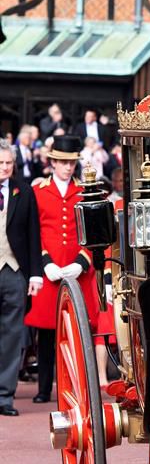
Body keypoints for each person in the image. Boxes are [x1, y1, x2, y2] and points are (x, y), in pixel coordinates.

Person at [25, 135, 100, 403]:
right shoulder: (38, 192)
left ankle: (75, 390)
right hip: (50, 270)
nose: (69, 168)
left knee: (77, 333)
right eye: (64, 163)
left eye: (72, 163)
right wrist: (45, 263)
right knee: (46, 334)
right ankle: (44, 389)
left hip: (76, 270)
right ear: (53, 162)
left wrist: (81, 263)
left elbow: (94, 234)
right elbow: (34, 232)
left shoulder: (85, 192)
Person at [0, 140, 43, 416]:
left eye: (8, 163)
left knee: (12, 336)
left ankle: (4, 396)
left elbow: (33, 234)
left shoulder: (24, 191)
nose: (4, 168)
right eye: (0, 163)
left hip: (15, 272)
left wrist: (36, 274)